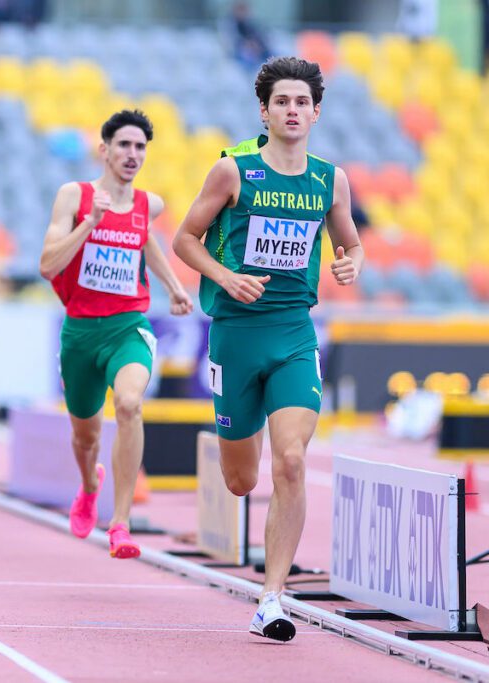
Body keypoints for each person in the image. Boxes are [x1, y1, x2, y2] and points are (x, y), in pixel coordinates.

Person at [172, 56, 362, 641]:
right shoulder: (233, 171)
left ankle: (272, 599)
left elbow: (349, 243)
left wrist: (351, 261)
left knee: (292, 461)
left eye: (302, 103)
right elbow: (183, 239)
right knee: (239, 479)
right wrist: (226, 277)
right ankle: (234, 444)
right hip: (234, 334)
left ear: (316, 112)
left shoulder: (331, 180)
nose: (292, 111)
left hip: (292, 334)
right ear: (265, 111)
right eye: (282, 102)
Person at [39, 110, 194, 559]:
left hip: (128, 327)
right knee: (85, 437)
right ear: (104, 150)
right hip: (81, 334)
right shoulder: (74, 195)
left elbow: (146, 238)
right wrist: (89, 223)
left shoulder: (150, 204)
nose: (133, 154)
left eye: (140, 147)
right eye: (124, 145)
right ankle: (89, 486)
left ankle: (120, 524)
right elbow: (47, 265)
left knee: (128, 404)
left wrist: (174, 287)